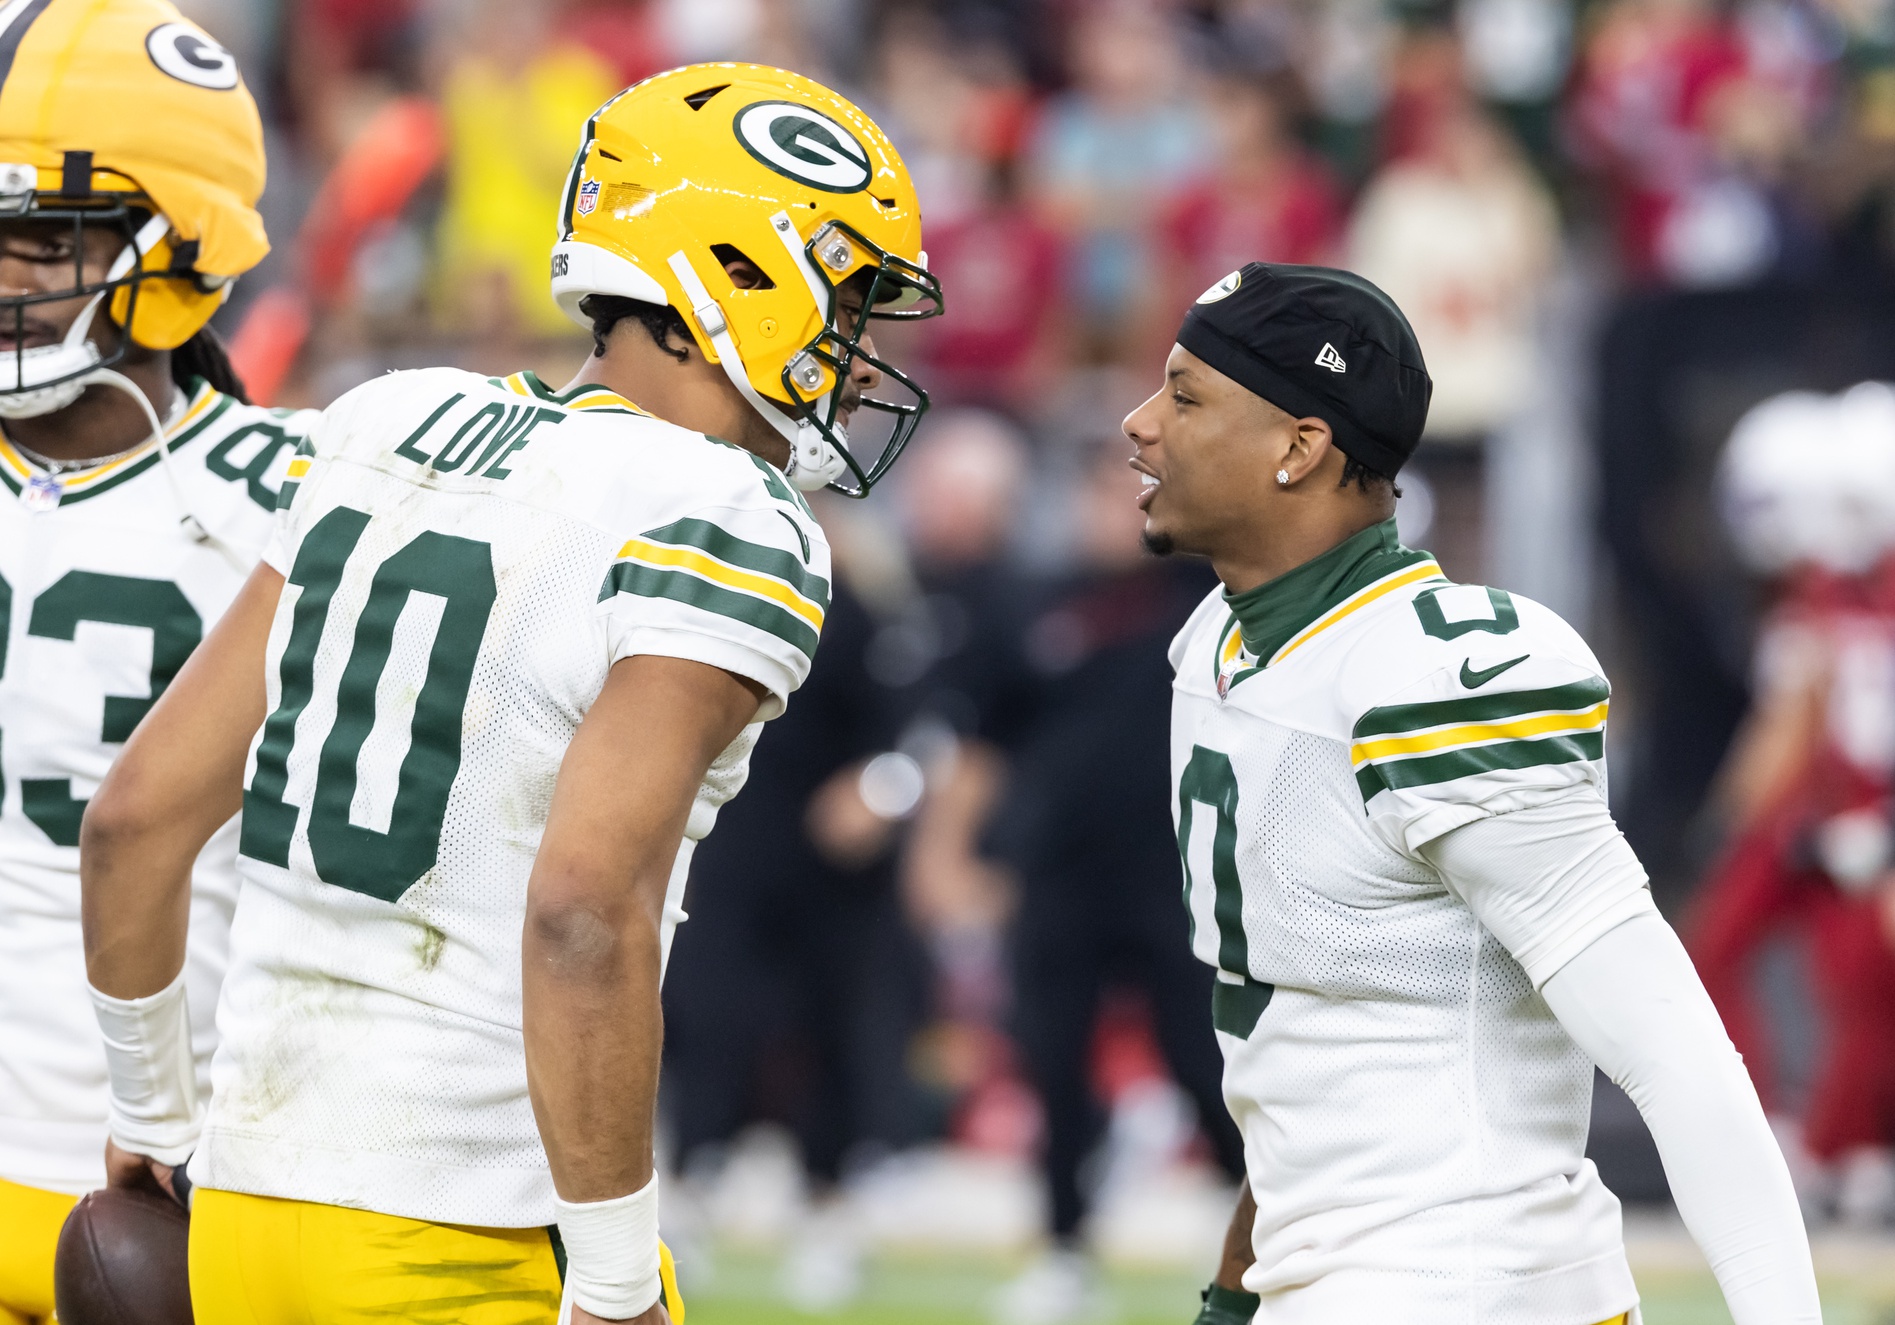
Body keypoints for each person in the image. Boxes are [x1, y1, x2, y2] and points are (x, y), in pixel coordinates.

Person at [77, 65, 940, 1325]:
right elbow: (582, 909)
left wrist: (149, 1111)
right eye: (849, 299)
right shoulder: (727, 512)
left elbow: (136, 816)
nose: (860, 361)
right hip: (469, 1225)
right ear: (741, 273)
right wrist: (611, 1273)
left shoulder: (380, 420)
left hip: (248, 1207)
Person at [1123, 262, 1820, 1324]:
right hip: (1331, 1279)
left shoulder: (1434, 678)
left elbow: (1673, 1051)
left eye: (1183, 396)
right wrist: (1234, 1285)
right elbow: (1301, 1036)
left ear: (1298, 447)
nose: (1139, 425)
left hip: (1472, 1285)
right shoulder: (1214, 645)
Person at [0, 5, 308, 1322]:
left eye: (45, 239)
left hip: (157, 1176)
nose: (7, 276)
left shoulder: (295, 504)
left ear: (181, 243)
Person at [988, 440, 1242, 1325]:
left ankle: (1257, 1235)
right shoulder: (1035, 605)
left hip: (1171, 878)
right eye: (1099, 492)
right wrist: (957, 856)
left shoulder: (1202, 601)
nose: (1114, 510)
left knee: (1201, 1061)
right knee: (1053, 1066)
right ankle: (1062, 1247)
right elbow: (985, 746)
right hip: (1058, 882)